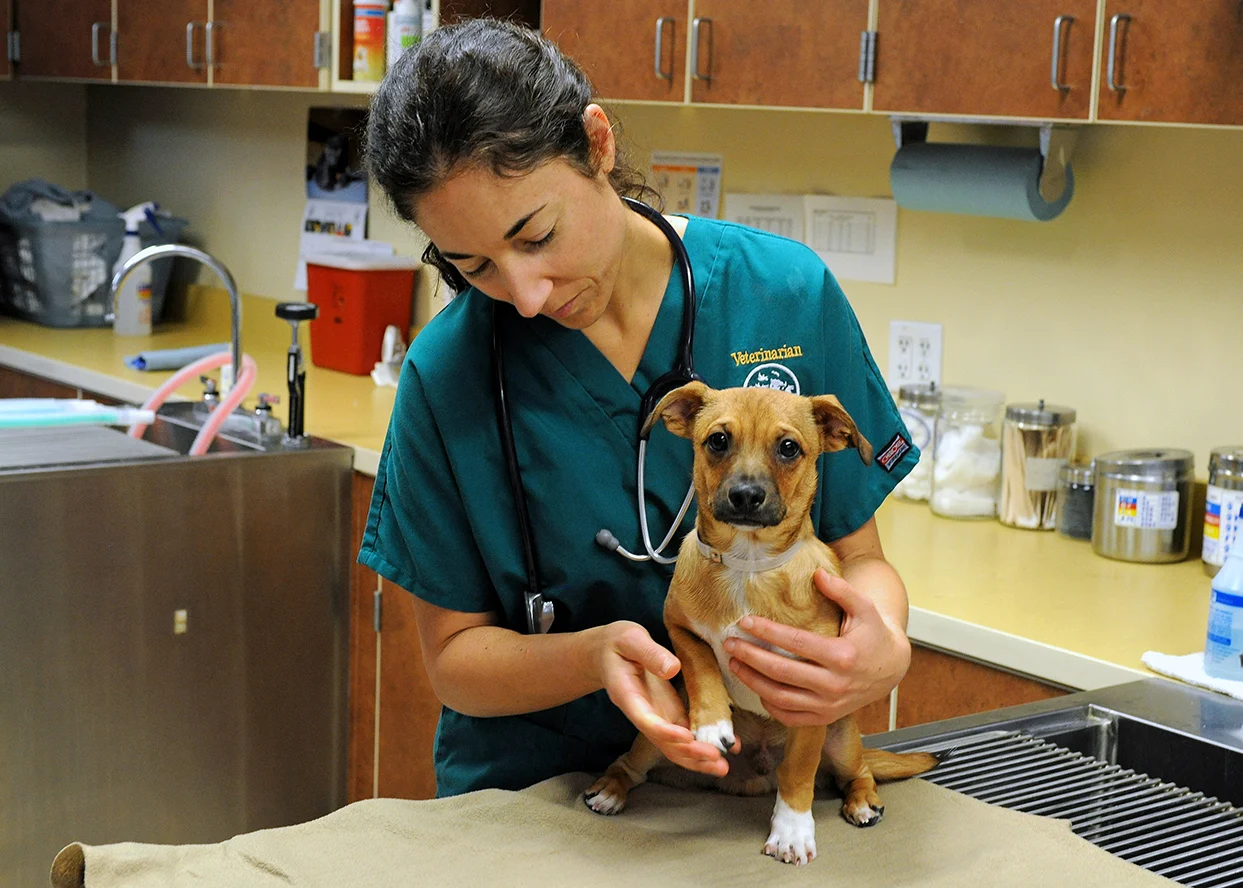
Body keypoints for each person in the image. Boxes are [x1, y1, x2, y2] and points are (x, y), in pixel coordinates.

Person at [359, 17, 919, 798]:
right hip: (535, 799)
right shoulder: (446, 374)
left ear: (596, 145)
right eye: (472, 266)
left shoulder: (780, 293)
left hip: (755, 794)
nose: (523, 297)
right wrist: (591, 656)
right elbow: (454, 660)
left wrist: (883, 642)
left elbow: (858, 558)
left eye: (537, 235)